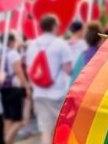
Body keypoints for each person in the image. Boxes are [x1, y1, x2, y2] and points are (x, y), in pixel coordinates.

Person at [26, 15, 72, 144]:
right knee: (62, 128)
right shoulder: (61, 44)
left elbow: (30, 70)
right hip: (57, 93)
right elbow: (67, 69)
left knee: (46, 130)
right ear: (53, 26)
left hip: (39, 93)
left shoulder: (32, 45)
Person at [0, 33, 31, 144]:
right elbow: (18, 71)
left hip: (2, 89)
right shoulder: (12, 53)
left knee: (7, 119)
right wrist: (26, 86)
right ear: (12, 41)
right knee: (18, 120)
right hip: (14, 88)